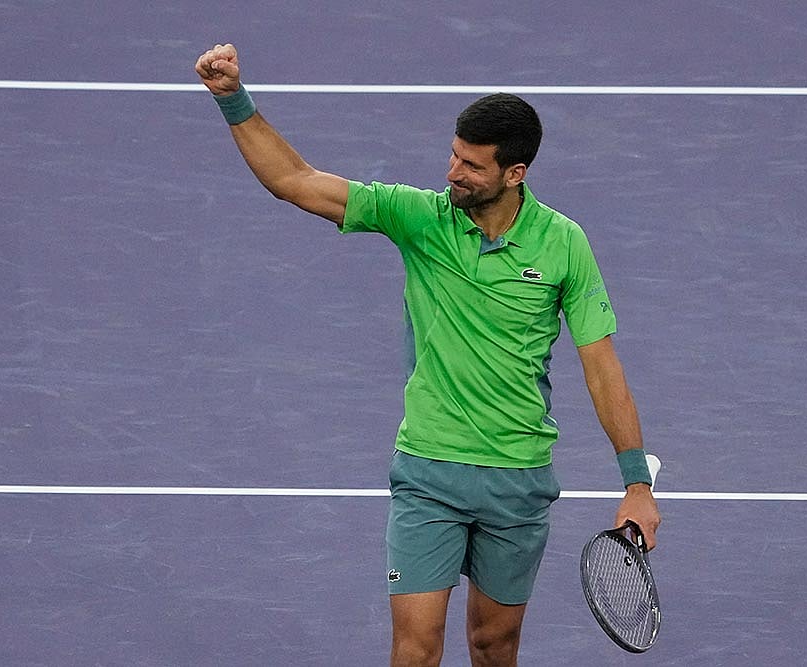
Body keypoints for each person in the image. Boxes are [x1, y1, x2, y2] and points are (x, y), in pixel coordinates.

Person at [195, 43, 661, 667]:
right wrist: (233, 97)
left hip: (517, 479)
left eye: (471, 165)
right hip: (429, 474)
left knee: (494, 646)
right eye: (453, 155)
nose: (452, 173)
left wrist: (636, 483)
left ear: (515, 173)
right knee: (415, 650)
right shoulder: (419, 219)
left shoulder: (564, 245)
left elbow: (602, 369)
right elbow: (294, 182)